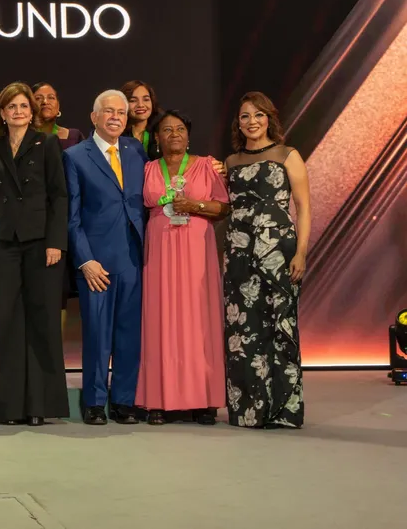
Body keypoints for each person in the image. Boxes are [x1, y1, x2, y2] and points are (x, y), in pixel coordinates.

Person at [0, 82, 69, 426]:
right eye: (11, 107)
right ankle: (10, 407)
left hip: (40, 241)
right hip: (3, 242)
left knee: (43, 320)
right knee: (8, 320)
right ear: (1, 113)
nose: (18, 112)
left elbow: (59, 195)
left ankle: (40, 405)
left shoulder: (46, 144)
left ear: (32, 112)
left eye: (24, 107)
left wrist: (55, 242)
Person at [135, 110, 231, 426]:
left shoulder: (206, 166)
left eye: (180, 129)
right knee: (160, 321)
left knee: (198, 319)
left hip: (196, 250)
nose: (174, 134)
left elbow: (224, 207)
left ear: (188, 136)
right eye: (166, 129)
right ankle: (159, 401)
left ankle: (204, 400)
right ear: (157, 138)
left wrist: (195, 206)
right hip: (159, 252)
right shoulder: (148, 169)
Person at [224, 92, 310, 429]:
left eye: (258, 115)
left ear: (269, 118)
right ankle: (249, 411)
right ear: (238, 123)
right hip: (239, 253)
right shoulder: (231, 162)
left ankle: (283, 410)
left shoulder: (288, 155)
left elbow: (303, 207)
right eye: (245, 116)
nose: (252, 122)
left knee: (280, 326)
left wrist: (301, 252)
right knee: (243, 330)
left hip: (279, 253)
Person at [63, 89, 147, 426]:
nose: (116, 117)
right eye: (108, 111)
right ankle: (95, 401)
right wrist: (85, 260)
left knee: (129, 332)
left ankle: (124, 399)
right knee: (97, 332)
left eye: (122, 113)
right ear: (94, 117)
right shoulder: (75, 156)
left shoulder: (136, 150)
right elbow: (71, 216)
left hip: (133, 255)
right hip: (96, 261)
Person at [32, 81, 85, 337]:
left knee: (58, 293)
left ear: (59, 105)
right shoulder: (20, 136)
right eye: (39, 97)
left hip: (64, 222)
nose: (45, 101)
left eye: (51, 97)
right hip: (32, 222)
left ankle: (53, 354)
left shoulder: (73, 137)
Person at [32, 82, 86, 150]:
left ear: (58, 106)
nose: (45, 102)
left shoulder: (75, 137)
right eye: (38, 98)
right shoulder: (22, 138)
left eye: (51, 97)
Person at [120, 80, 159, 159]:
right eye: (133, 101)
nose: (141, 105)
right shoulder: (117, 135)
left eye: (146, 99)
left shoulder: (159, 133)